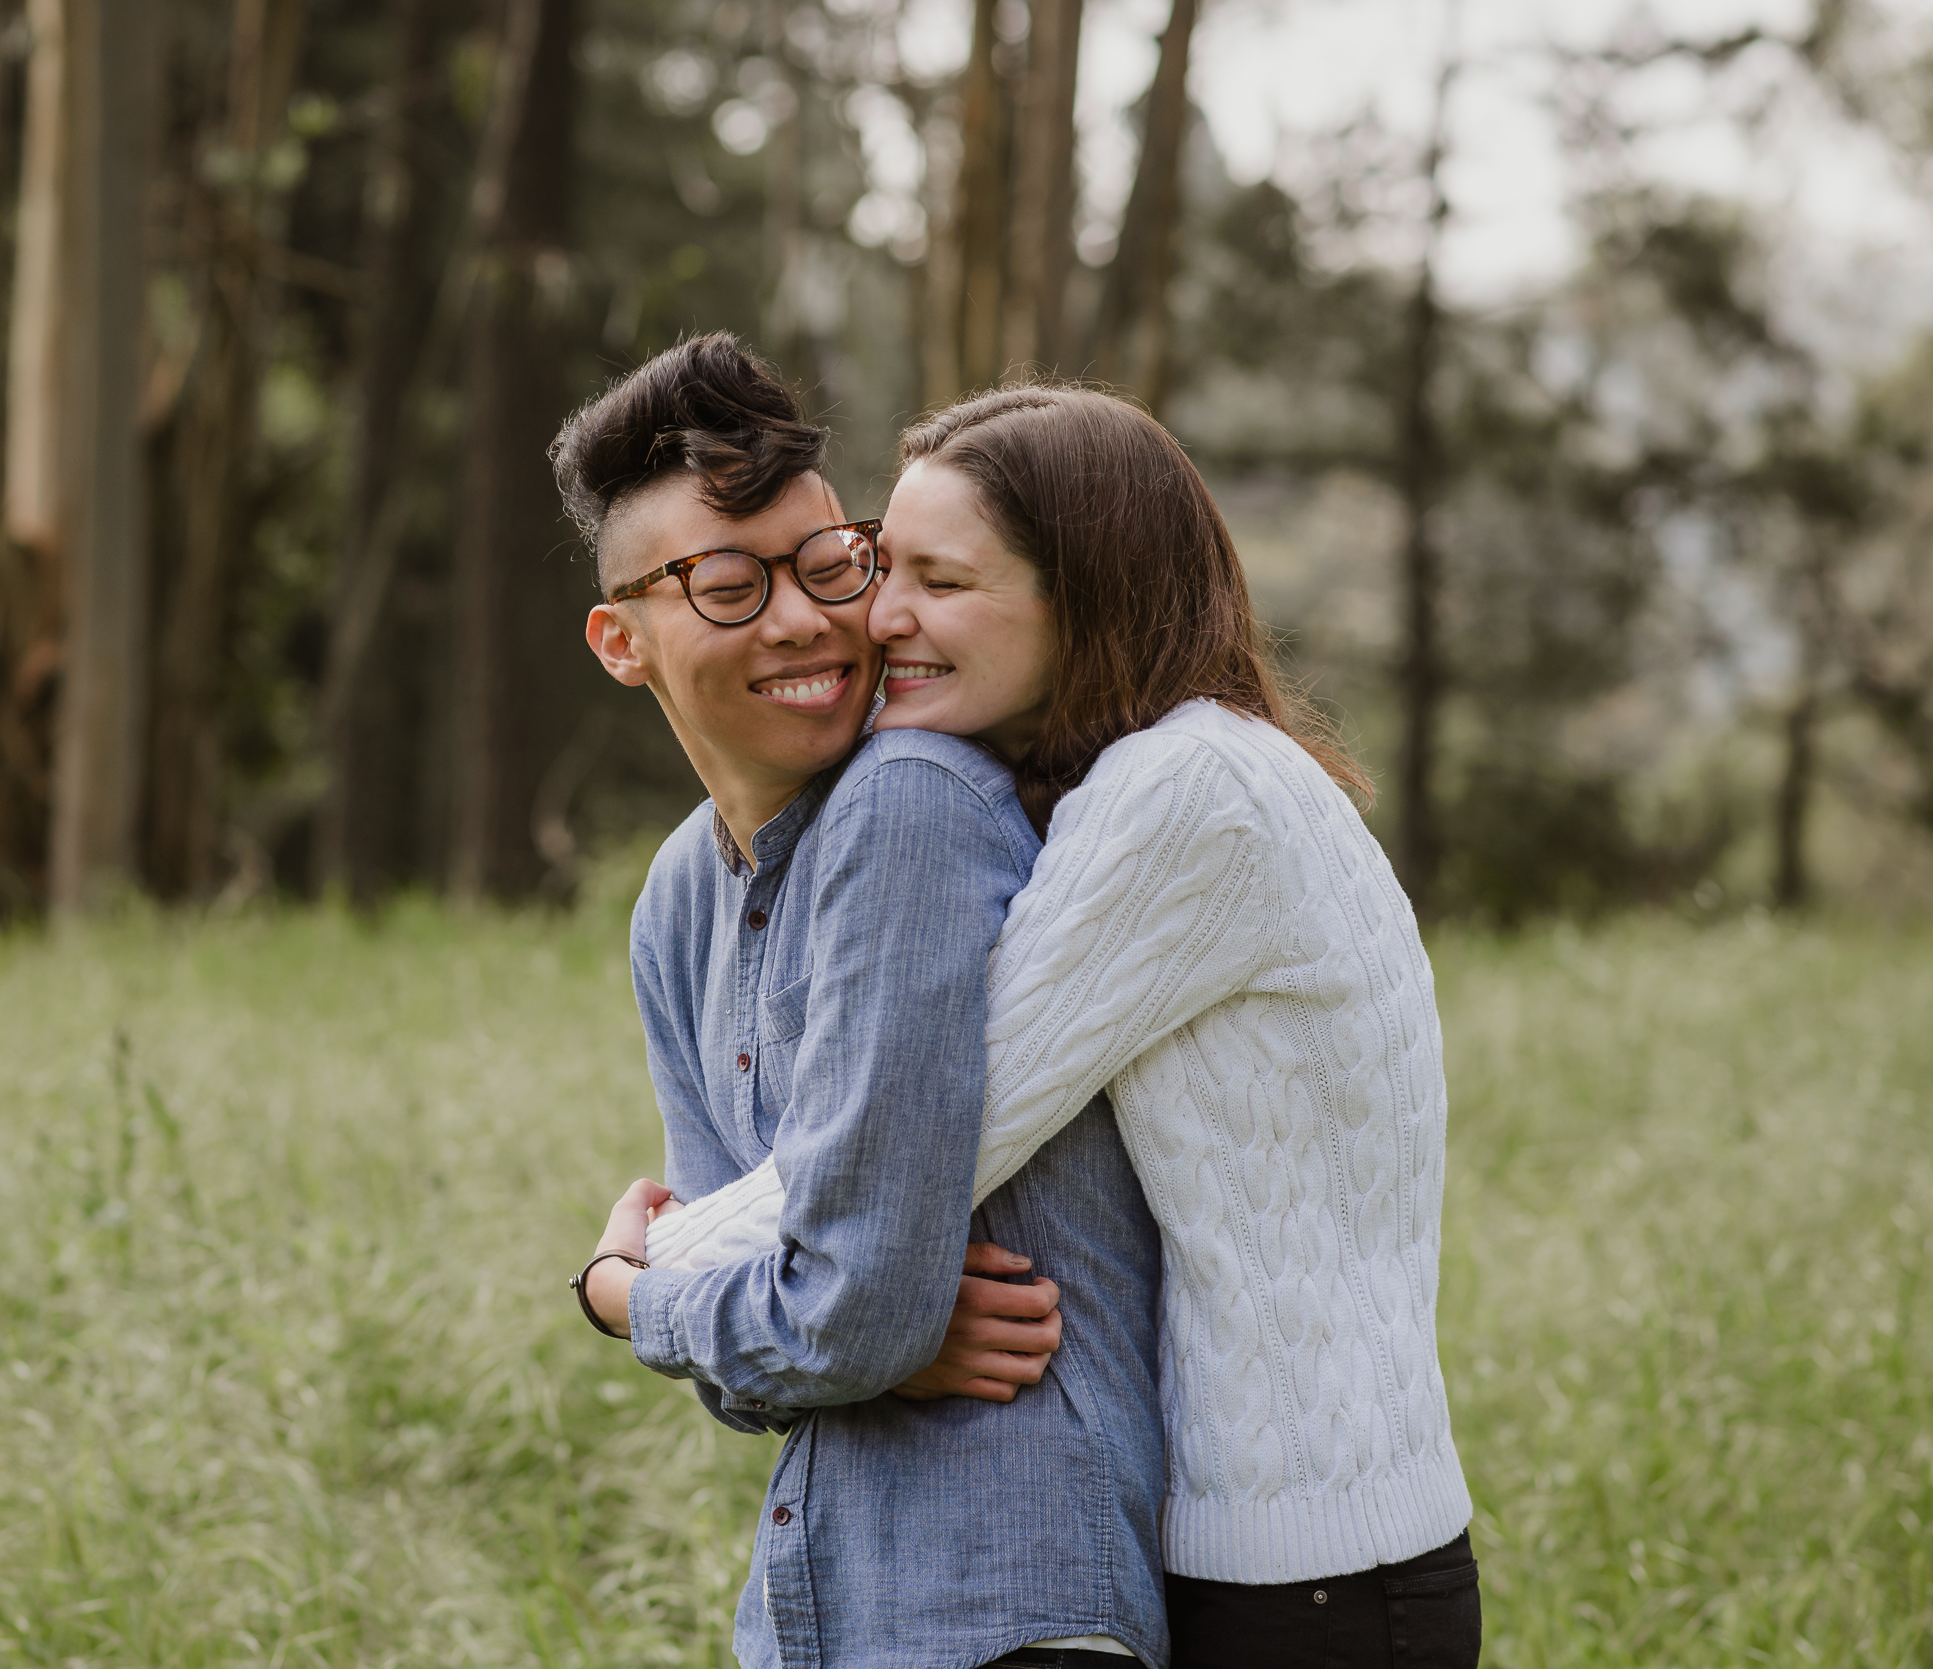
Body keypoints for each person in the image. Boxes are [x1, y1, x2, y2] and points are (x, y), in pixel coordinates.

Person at [638, 385, 1483, 1668]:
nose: (882, 617)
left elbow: (911, 1144)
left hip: (1311, 1579)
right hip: (1272, 1553)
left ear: (1082, 597)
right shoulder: (1163, 776)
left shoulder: (1188, 796)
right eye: (886, 567)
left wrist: (636, 1275)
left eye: (943, 579)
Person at [559, 336, 1172, 1669]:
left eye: (834, 562)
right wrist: (836, 1328)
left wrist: (620, 1296)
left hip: (1010, 1604)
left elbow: (822, 1310)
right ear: (622, 640)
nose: (811, 621)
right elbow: (770, 1328)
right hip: (820, 1608)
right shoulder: (678, 898)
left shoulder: (914, 805)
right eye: (728, 584)